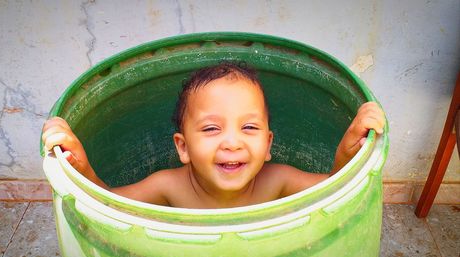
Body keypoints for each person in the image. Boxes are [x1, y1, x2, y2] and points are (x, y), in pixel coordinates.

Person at [42, 62, 385, 209]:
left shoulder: (277, 181)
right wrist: (81, 167)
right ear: (183, 146)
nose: (232, 142)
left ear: (268, 144)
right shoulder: (168, 187)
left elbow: (335, 192)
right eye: (210, 129)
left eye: (249, 127)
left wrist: (346, 152)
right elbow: (107, 206)